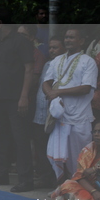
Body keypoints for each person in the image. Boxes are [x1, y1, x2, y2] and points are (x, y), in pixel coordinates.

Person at [0, 8, 35, 193]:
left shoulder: (21, 42)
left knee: (20, 139)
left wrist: (24, 96)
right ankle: (0, 173)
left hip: (15, 98)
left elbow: (29, 69)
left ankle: (26, 179)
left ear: (0, 24)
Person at [43, 27, 98, 183]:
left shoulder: (88, 62)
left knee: (79, 157)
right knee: (59, 156)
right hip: (60, 117)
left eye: (72, 37)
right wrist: (50, 92)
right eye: (66, 37)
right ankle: (64, 187)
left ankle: (79, 189)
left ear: (81, 41)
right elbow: (46, 82)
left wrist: (58, 92)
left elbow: (86, 88)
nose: (68, 40)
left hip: (79, 117)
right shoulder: (57, 60)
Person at [32, 36, 66, 188]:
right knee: (40, 146)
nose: (52, 50)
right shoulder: (47, 64)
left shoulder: (65, 65)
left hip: (54, 114)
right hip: (40, 113)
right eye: (50, 47)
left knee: (54, 147)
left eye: (56, 47)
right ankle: (44, 177)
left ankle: (56, 179)